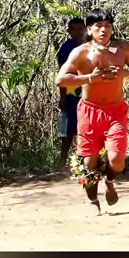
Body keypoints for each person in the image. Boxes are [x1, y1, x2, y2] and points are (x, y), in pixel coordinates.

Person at [55, 8, 129, 213]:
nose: (104, 30)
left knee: (117, 161)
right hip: (89, 111)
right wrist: (89, 78)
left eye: (108, 26)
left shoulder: (123, 48)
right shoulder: (81, 52)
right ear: (89, 29)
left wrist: (125, 73)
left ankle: (109, 180)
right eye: (98, 26)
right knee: (89, 162)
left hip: (116, 110)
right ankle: (93, 199)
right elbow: (61, 79)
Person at [56, 17, 87, 166]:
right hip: (72, 92)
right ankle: (63, 160)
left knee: (86, 126)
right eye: (74, 29)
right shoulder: (67, 48)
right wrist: (62, 96)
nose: (78, 32)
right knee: (69, 127)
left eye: (81, 28)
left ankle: (84, 159)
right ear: (69, 31)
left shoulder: (91, 46)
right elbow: (62, 73)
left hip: (90, 91)